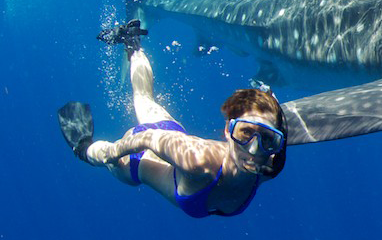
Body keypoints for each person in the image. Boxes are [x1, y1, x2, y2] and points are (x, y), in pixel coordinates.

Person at [57, 20, 287, 218]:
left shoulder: (270, 164)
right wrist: (113, 152)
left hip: (171, 133)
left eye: (267, 138)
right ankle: (84, 148)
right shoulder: (199, 161)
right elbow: (147, 138)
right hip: (140, 156)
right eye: (245, 133)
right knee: (108, 158)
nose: (255, 149)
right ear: (228, 130)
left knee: (144, 97)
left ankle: (132, 44)